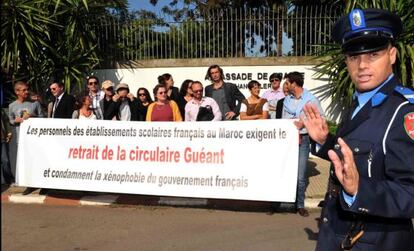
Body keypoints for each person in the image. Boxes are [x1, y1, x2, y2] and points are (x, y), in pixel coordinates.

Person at [300, 9, 414, 250]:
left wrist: (360, 189)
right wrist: (325, 140)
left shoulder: (404, 112)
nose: (362, 65)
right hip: (338, 236)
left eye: (373, 54)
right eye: (354, 56)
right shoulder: (358, 102)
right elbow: (354, 157)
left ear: (392, 55)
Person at [282, 71, 324, 217]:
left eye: (288, 82)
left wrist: (304, 124)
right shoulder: (287, 100)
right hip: (289, 141)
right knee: (288, 173)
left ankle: (300, 204)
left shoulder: (311, 99)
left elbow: (321, 118)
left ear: (294, 83)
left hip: (303, 140)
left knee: (300, 175)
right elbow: (284, 119)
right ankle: (287, 201)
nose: (286, 85)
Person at [8, 81, 44, 195]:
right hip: (21, 139)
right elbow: (10, 120)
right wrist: (15, 121)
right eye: (23, 90)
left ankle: (41, 184)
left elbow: (43, 117)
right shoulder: (12, 106)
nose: (26, 92)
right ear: (17, 92)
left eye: (27, 89)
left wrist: (33, 117)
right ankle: (29, 185)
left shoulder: (35, 103)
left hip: (35, 138)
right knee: (26, 163)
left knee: (38, 161)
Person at [1, 108, 13, 186]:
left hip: (2, 139)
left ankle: (8, 180)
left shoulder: (1, 110)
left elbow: (6, 121)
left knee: (5, 160)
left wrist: (9, 132)